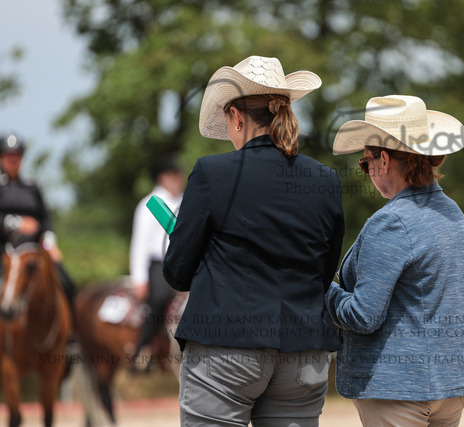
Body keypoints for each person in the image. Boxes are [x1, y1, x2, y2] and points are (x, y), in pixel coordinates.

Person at [162, 55, 345, 426]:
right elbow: (324, 272)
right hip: (303, 350)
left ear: (236, 116)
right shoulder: (325, 179)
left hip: (225, 347)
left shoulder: (212, 173)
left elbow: (178, 273)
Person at [325, 95, 464, 427]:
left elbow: (363, 316)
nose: (367, 171)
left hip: (397, 387)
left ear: (383, 160)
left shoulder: (392, 221)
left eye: (365, 163)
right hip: (451, 383)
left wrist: (320, 284)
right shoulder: (453, 212)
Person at [0, 133, 76, 306]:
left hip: (35, 249)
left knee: (67, 283)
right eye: (8, 156)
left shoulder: (32, 185)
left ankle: (71, 324)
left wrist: (49, 244)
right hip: (5, 249)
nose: (13, 160)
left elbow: (45, 217)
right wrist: (17, 223)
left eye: (17, 156)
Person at [129, 157, 184, 366]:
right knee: (159, 298)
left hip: (187, 263)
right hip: (160, 265)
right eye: (173, 174)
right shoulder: (150, 204)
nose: (178, 178)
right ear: (162, 178)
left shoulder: (186, 200)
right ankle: (143, 350)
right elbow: (140, 243)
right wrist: (139, 278)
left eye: (178, 173)